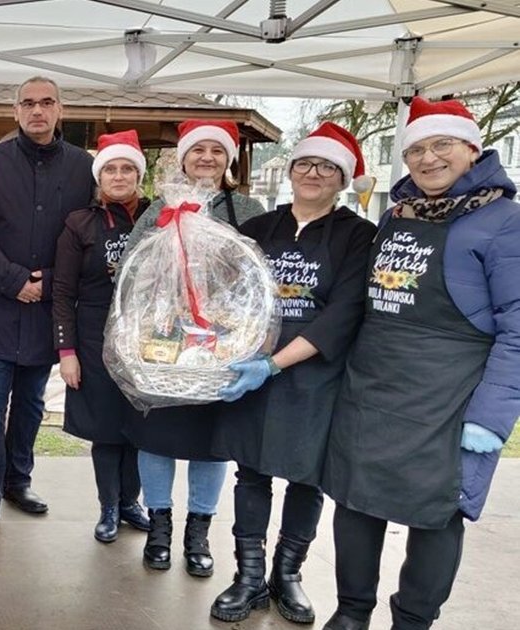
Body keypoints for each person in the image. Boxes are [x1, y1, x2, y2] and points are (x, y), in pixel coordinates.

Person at [320, 98, 520, 630]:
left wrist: (489, 418)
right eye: (415, 150)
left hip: (447, 396)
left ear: (472, 148)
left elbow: (518, 330)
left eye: (441, 145)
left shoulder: (506, 222)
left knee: (436, 515)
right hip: (372, 386)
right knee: (356, 502)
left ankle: (413, 621)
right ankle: (351, 612)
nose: (428, 159)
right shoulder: (396, 213)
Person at [208, 123, 377, 625]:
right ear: (290, 170)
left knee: (307, 478)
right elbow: (229, 294)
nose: (312, 173)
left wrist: (274, 364)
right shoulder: (259, 229)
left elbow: (344, 313)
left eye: (326, 167)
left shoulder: (357, 235)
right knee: (252, 472)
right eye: (305, 163)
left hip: (315, 374)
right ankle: (248, 577)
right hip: (252, 364)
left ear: (342, 179)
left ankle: (288, 576)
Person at [123, 119, 265, 577]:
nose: (207, 158)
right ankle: (160, 526)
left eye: (217, 151)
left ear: (230, 160)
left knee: (211, 445)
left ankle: (199, 531)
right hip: (163, 343)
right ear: (182, 158)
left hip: (222, 347)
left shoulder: (248, 207)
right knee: (158, 437)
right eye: (197, 150)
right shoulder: (159, 207)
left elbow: (258, 278)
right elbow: (131, 263)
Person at [0, 76, 94, 535]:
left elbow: (89, 235)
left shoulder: (83, 167)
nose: (38, 111)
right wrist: (15, 280)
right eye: (28, 103)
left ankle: (19, 480)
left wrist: (50, 282)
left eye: (47, 103)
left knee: (32, 403)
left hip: (47, 309)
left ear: (61, 110)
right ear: (16, 111)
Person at [51, 130, 152, 545]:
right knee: (107, 428)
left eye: (127, 167)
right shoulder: (80, 223)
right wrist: (67, 352)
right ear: (99, 176)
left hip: (148, 339)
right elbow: (62, 292)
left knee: (142, 428)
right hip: (94, 337)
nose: (119, 175)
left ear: (139, 174)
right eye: (110, 168)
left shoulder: (157, 218)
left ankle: (133, 501)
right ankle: (109, 506)